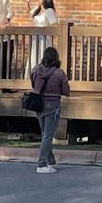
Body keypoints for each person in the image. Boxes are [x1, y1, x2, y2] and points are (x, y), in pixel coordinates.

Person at [30, 44, 70, 173]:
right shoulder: (59, 73)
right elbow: (65, 90)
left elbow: (33, 85)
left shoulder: (36, 70)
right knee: (48, 135)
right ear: (56, 58)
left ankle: (49, 161)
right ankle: (41, 164)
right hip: (53, 105)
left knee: (44, 134)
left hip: (39, 104)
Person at [26, 0, 59, 75]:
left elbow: (55, 24)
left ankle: (43, 75)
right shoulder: (38, 9)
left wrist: (46, 31)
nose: (38, 0)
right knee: (34, 56)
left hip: (43, 38)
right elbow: (30, 13)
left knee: (42, 55)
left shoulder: (49, 11)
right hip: (35, 38)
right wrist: (28, 3)